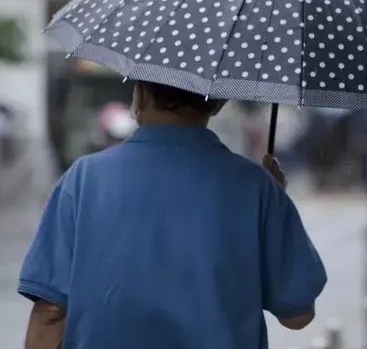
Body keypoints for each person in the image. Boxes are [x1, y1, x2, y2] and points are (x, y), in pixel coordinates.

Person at [19, 81, 327, 349]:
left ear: (139, 93)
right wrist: (274, 199)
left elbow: (49, 313)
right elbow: (297, 314)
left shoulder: (83, 179)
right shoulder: (256, 188)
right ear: (218, 104)